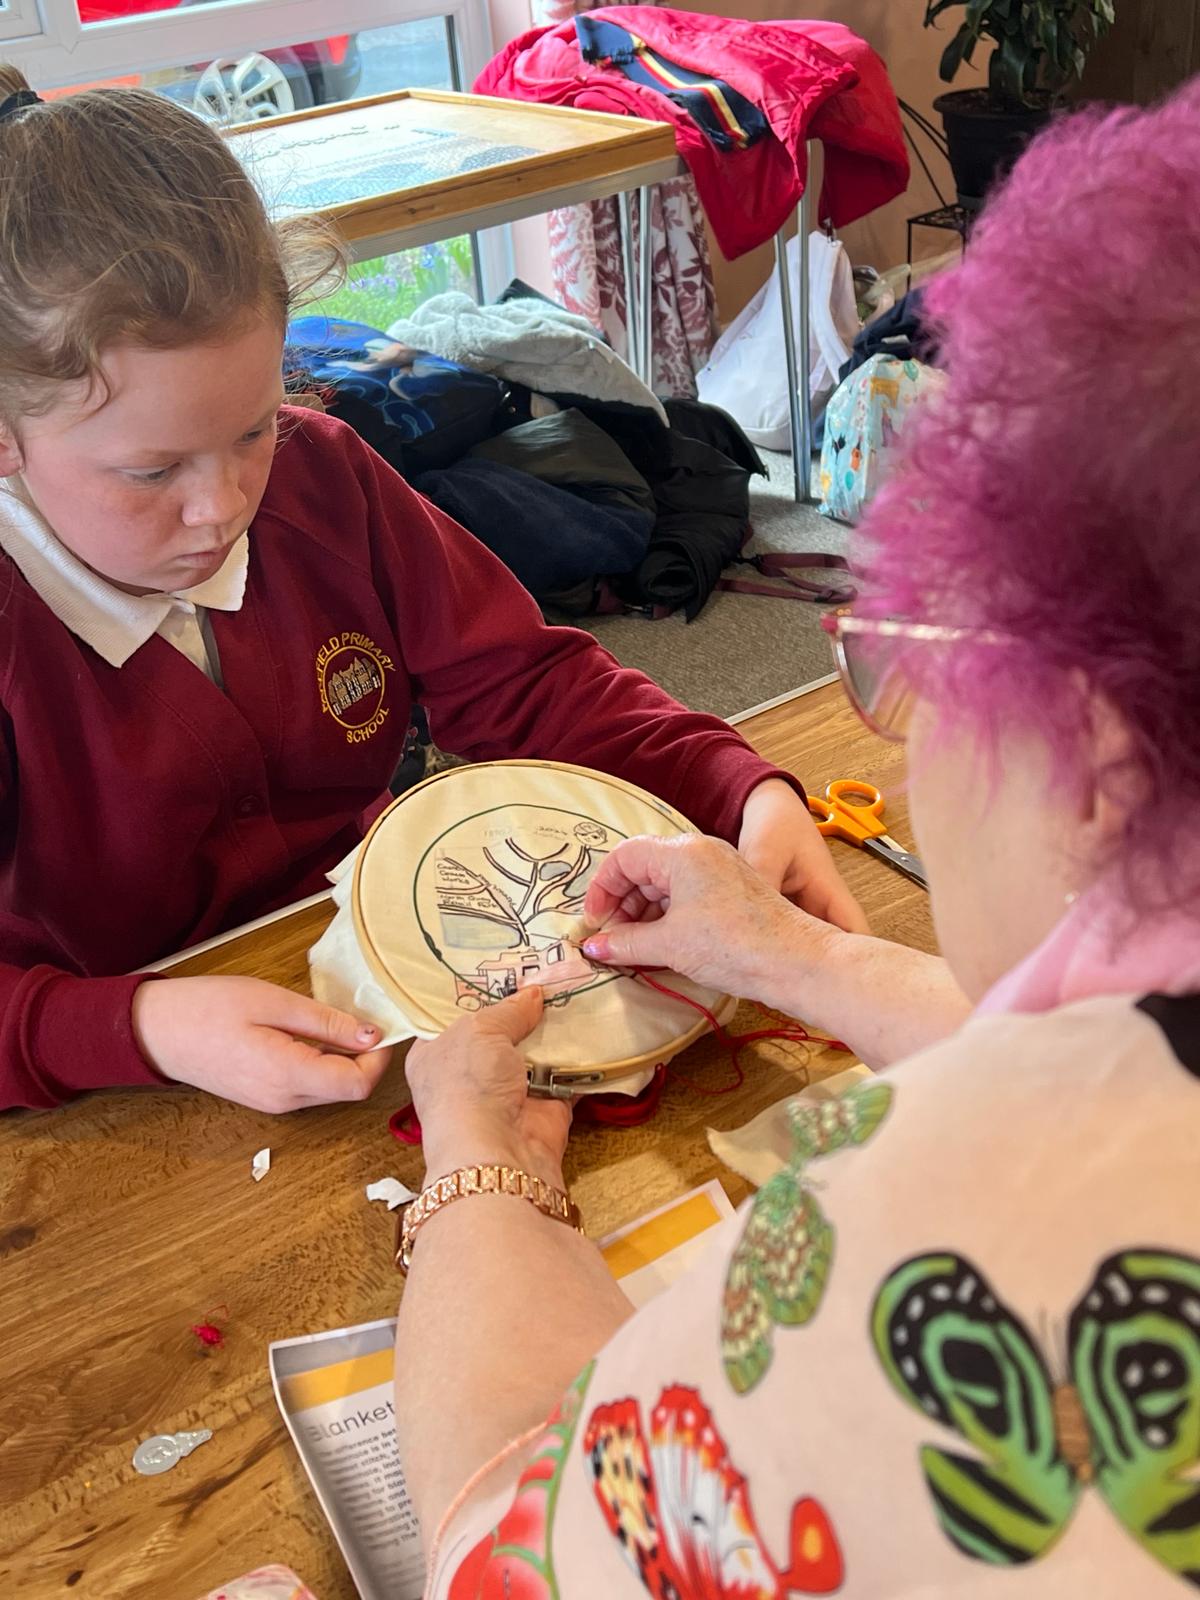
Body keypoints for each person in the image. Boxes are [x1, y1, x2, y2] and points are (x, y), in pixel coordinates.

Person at [391, 84, 1200, 1597]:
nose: (903, 750)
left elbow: (514, 1555)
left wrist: (478, 1161)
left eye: (912, 666)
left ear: (1091, 748)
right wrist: (796, 956)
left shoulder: (952, 1260)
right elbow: (1128, 1053)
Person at [0, 66, 863, 1115]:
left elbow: (534, 684)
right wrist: (138, 1021)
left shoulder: (324, 475)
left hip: (379, 996)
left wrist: (742, 786)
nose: (220, 505)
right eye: (152, 472)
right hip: (99, 1090)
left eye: (250, 430)